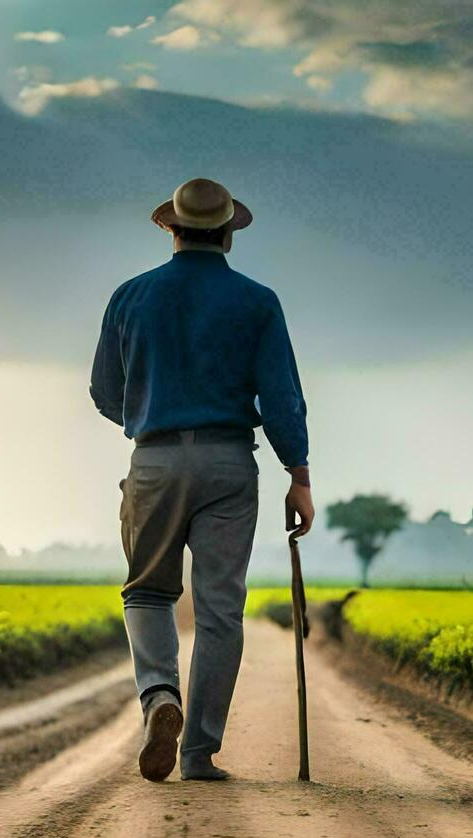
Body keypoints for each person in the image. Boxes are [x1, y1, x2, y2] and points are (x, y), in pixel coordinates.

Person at [90, 177, 313, 782]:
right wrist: (299, 474)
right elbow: (283, 398)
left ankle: (161, 696)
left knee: (146, 591)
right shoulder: (258, 301)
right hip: (229, 462)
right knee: (220, 610)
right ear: (228, 235)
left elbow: (104, 392)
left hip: (155, 459)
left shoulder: (129, 297)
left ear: (171, 228)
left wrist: (148, 421)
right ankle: (198, 754)